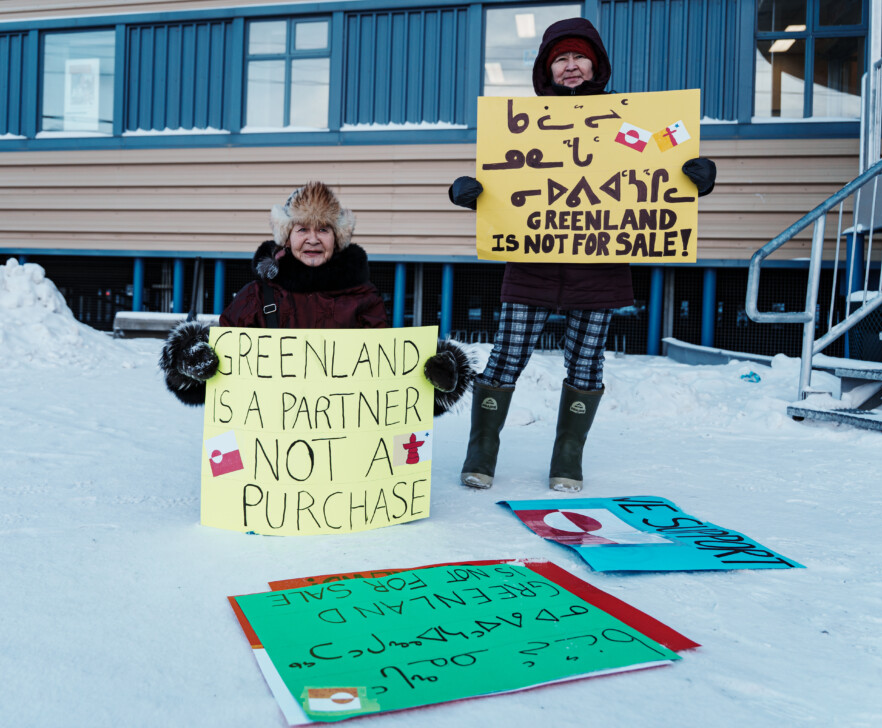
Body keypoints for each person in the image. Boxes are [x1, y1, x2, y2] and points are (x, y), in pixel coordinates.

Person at [450, 17, 716, 492]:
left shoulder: (624, 121)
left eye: (579, 57)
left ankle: (567, 457)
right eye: (560, 59)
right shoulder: (521, 127)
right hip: (531, 263)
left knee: (587, 362)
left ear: (595, 64)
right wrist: (471, 192)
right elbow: (507, 184)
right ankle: (481, 452)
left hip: (599, 266)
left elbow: (655, 160)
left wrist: (694, 176)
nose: (570, 67)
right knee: (507, 355)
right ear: (546, 70)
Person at [160, 181, 471, 415]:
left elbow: (388, 382)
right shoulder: (257, 295)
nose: (312, 238)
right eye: (302, 228)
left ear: (337, 238)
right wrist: (189, 360)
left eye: (323, 229)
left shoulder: (364, 298)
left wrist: (438, 375)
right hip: (267, 445)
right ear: (286, 236)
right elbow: (217, 375)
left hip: (343, 444)